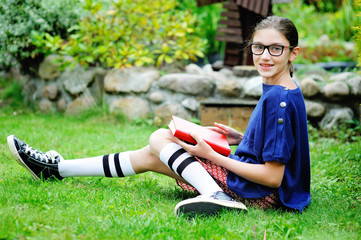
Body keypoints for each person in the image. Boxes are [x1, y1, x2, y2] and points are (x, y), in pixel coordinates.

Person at [7, 15, 311, 217]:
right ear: (251, 48)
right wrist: (243, 139)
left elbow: (273, 176)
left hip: (263, 194)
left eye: (275, 49)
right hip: (265, 187)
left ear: (292, 53)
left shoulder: (279, 100)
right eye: (259, 47)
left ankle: (217, 196)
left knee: (160, 138)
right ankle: (56, 170)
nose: (265, 56)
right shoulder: (284, 89)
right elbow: (280, 146)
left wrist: (213, 157)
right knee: (152, 154)